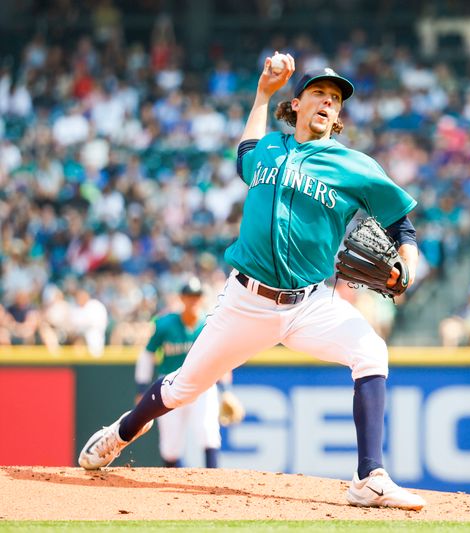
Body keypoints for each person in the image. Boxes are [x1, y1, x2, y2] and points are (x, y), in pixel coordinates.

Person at [79, 53, 425, 510]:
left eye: (336, 99)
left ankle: (370, 477)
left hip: (309, 304)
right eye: (319, 94)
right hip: (246, 301)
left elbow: (403, 226)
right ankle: (121, 433)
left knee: (371, 351)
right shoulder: (268, 149)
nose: (328, 102)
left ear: (338, 115)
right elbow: (244, 153)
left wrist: (409, 265)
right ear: (296, 104)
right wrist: (263, 92)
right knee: (183, 387)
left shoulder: (354, 166)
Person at [134, 277, 228, 468]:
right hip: (171, 385)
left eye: (196, 296)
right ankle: (171, 488)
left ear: (201, 298)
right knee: (171, 444)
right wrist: (142, 388)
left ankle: (213, 483)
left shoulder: (210, 324)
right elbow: (147, 356)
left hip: (203, 385)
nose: (193, 300)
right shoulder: (165, 324)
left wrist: (225, 391)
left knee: (208, 432)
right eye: (189, 296)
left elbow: (222, 358)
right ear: (182, 298)